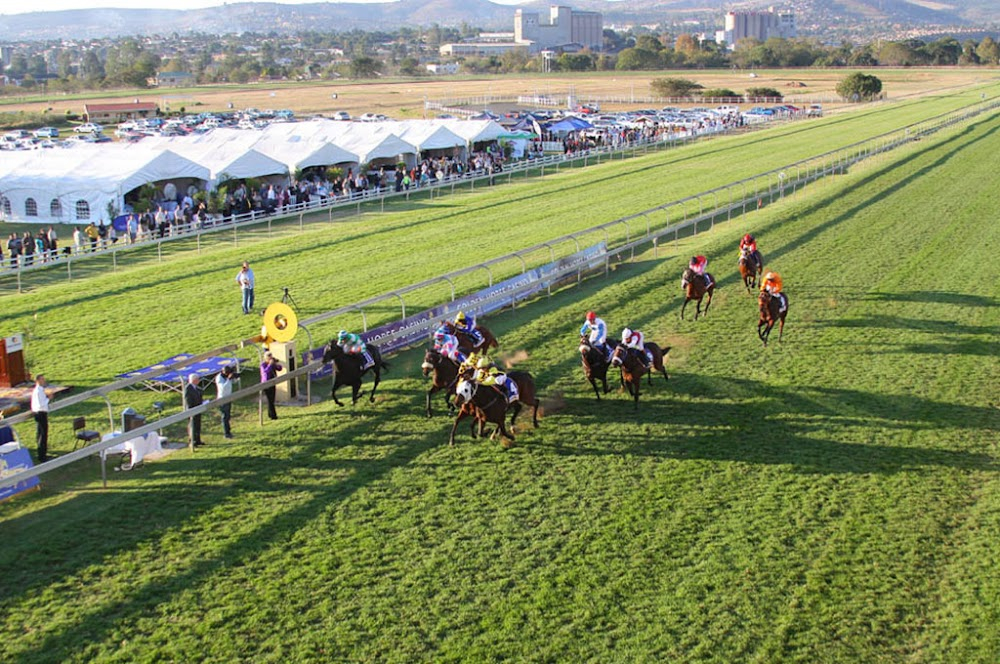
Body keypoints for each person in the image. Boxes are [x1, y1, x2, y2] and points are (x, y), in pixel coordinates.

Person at [30, 374, 50, 462]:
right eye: (42, 379)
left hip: (39, 413)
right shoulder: (39, 391)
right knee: (43, 434)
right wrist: (48, 398)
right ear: (38, 381)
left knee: (41, 434)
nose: (44, 381)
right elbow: (41, 404)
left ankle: (42, 454)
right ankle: (42, 456)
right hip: (41, 413)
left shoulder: (38, 390)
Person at [215, 365, 236, 439]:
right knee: (224, 416)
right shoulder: (219, 378)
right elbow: (223, 388)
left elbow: (234, 382)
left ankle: (228, 430)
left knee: (228, 416)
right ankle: (226, 433)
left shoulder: (226, 376)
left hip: (228, 398)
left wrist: (234, 377)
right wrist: (228, 379)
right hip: (222, 399)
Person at [184, 374, 204, 447]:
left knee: (198, 425)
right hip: (192, 410)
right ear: (194, 380)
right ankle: (192, 441)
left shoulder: (197, 388)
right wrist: (191, 410)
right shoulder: (188, 388)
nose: (198, 380)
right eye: (197, 379)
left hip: (198, 409)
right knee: (192, 426)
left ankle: (198, 440)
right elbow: (187, 400)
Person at [260, 352, 282, 420]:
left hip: (273, 383)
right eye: (268, 358)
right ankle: (273, 416)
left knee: (272, 400)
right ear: (265, 358)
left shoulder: (272, 364)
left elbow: (279, 368)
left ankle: (270, 414)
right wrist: (270, 364)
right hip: (266, 384)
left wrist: (275, 363)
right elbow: (265, 372)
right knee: (270, 400)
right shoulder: (263, 365)